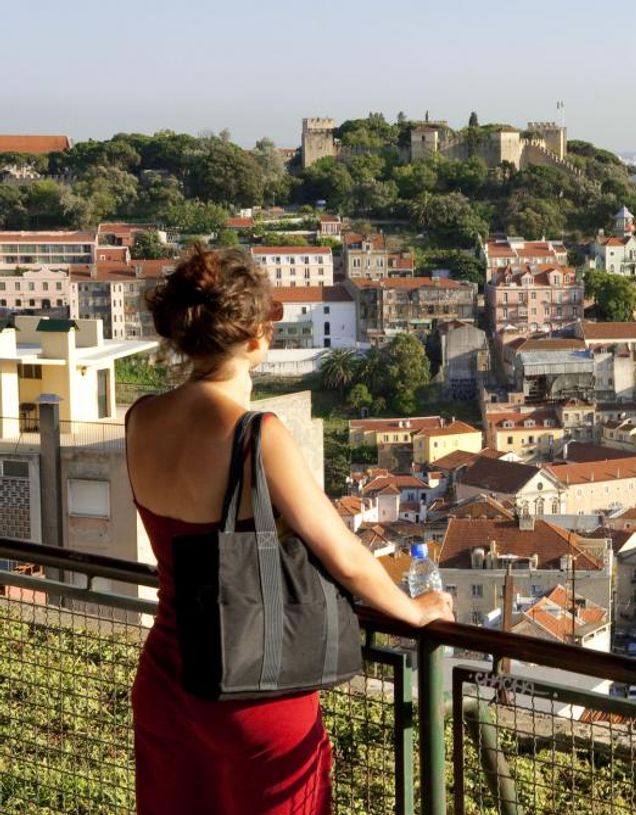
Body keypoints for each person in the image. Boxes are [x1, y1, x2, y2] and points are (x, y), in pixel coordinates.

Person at [125, 244, 453, 814]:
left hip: (166, 679)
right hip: (252, 689)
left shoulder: (141, 417)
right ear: (256, 339)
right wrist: (416, 611)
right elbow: (344, 555)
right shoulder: (256, 434)